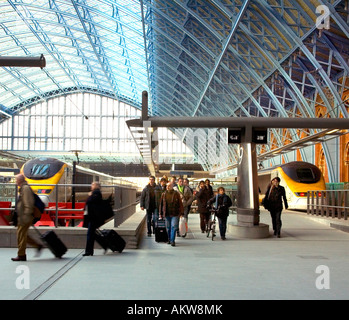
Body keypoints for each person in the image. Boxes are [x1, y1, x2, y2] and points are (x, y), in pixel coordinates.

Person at [12, 174, 42, 261]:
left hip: (25, 217)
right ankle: (37, 246)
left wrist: (26, 215)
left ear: (20, 180)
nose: (16, 182)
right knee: (23, 235)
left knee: (21, 235)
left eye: (16, 180)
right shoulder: (23, 188)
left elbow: (29, 203)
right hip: (23, 216)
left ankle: (21, 255)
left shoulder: (25, 188)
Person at [82, 181, 103, 256]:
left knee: (90, 234)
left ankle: (88, 251)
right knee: (91, 234)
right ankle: (89, 251)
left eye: (92, 185)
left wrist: (90, 196)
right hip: (93, 216)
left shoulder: (96, 193)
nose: (91, 186)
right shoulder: (96, 193)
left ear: (96, 186)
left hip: (93, 217)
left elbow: (91, 201)